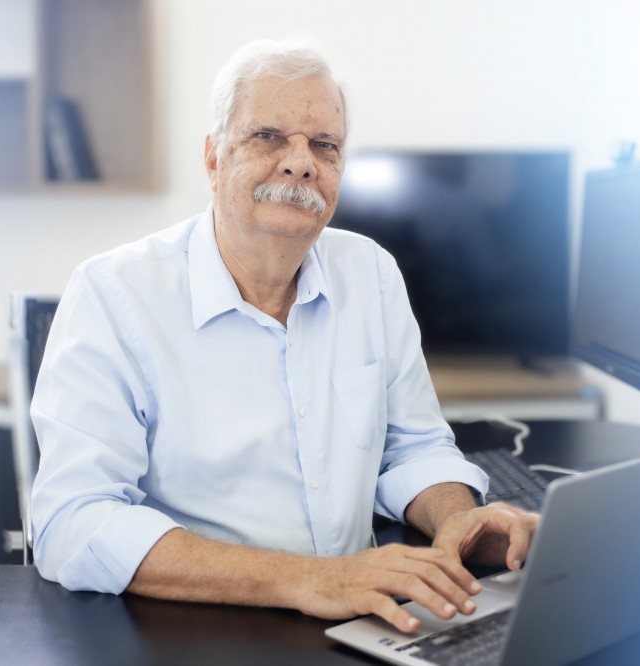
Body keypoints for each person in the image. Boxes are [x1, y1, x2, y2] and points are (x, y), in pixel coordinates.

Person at [30, 40, 539, 634]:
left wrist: (457, 519)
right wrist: (309, 579)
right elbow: (74, 521)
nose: (301, 162)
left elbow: (413, 446)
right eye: (269, 136)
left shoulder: (371, 274)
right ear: (214, 157)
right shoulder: (112, 293)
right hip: (188, 634)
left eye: (325, 145)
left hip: (361, 622)